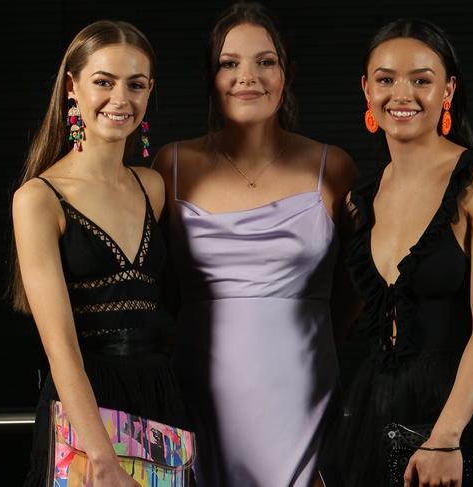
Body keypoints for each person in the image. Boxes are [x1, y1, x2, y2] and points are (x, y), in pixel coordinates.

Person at [322, 18, 473, 487]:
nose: (401, 94)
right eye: (385, 79)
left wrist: (446, 438)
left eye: (421, 80)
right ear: (367, 90)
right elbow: (339, 319)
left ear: (447, 90)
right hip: (377, 412)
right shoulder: (361, 198)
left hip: (459, 419)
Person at [153, 2, 358, 486]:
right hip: (199, 391)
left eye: (265, 61)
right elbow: (157, 288)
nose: (249, 76)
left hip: (302, 395)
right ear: (210, 76)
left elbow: (359, 286)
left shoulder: (333, 166)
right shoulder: (172, 163)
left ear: (285, 74)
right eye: (230, 63)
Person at [11, 20, 188, 487]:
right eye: (103, 82)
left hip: (157, 397)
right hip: (84, 406)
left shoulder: (152, 186)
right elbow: (61, 348)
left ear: (150, 92)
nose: (121, 99)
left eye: (136, 84)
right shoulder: (39, 198)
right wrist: (101, 455)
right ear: (72, 88)